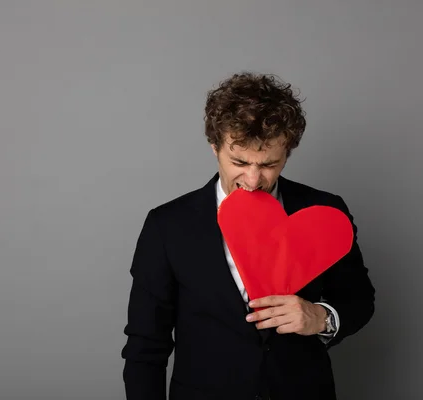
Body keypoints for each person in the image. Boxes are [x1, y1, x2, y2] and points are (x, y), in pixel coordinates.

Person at [121, 72, 375, 400]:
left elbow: (359, 299)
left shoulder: (325, 211)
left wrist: (321, 318)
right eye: (239, 162)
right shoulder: (167, 225)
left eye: (269, 164)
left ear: (288, 153)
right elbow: (145, 346)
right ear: (215, 147)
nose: (253, 180)